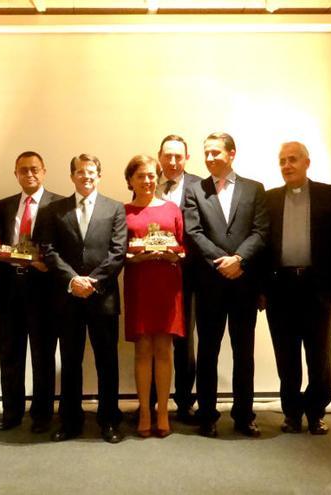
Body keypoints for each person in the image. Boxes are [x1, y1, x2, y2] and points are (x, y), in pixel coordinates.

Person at [263, 141, 331, 435]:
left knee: (319, 355)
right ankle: (291, 413)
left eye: (292, 159)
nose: (287, 165)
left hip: (320, 288)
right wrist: (260, 290)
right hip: (281, 288)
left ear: (307, 162)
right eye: (282, 161)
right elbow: (263, 247)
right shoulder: (269, 199)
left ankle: (316, 413)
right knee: (285, 354)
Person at [36, 153, 127, 443]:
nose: (86, 176)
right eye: (80, 172)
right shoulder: (54, 209)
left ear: (99, 175)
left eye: (91, 172)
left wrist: (93, 281)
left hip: (103, 298)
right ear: (72, 175)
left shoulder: (115, 208)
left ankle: (109, 421)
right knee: (71, 361)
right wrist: (72, 280)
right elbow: (49, 250)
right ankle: (70, 421)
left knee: (107, 362)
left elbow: (118, 252)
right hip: (67, 297)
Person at [183, 132, 269, 438]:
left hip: (245, 284)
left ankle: (244, 415)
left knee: (243, 353)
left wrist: (240, 261)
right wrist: (225, 261)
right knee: (207, 352)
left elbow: (260, 231)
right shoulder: (195, 190)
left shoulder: (255, 189)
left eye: (216, 153)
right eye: (206, 153)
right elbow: (193, 232)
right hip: (210, 284)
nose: (209, 158)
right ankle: (207, 414)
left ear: (232, 154)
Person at [0, 151, 62, 433]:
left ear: (44, 171)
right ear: (16, 174)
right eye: (23, 170)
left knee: (43, 355)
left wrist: (48, 265)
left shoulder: (58, 204)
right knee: (10, 353)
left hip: (43, 289)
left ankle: (42, 414)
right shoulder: (3, 206)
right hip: (11, 289)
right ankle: (11, 412)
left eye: (34, 169)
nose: (29, 174)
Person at [123, 154, 185, 438]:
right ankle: (144, 411)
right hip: (139, 284)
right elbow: (119, 252)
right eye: (141, 176)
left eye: (151, 175)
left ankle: (162, 412)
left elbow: (183, 248)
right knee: (142, 349)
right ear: (130, 181)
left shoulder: (172, 208)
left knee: (164, 349)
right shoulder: (123, 211)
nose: (147, 181)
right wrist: (135, 257)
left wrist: (173, 254)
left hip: (167, 285)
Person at [154, 134, 202, 424]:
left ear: (186, 158)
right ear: (159, 156)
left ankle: (185, 403)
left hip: (188, 276)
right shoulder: (146, 182)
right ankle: (151, 403)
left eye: (178, 156)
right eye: (167, 156)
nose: (172, 162)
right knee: (151, 340)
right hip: (151, 274)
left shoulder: (200, 186)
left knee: (184, 342)